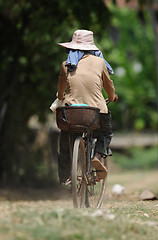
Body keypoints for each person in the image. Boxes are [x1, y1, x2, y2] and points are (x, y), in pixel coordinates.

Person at [56, 30, 118, 184]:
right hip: (94, 112)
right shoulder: (99, 62)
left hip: (72, 112)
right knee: (105, 133)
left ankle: (66, 176)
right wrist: (111, 98)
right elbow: (109, 86)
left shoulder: (66, 64)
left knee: (65, 139)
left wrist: (60, 96)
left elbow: (61, 88)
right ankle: (97, 157)